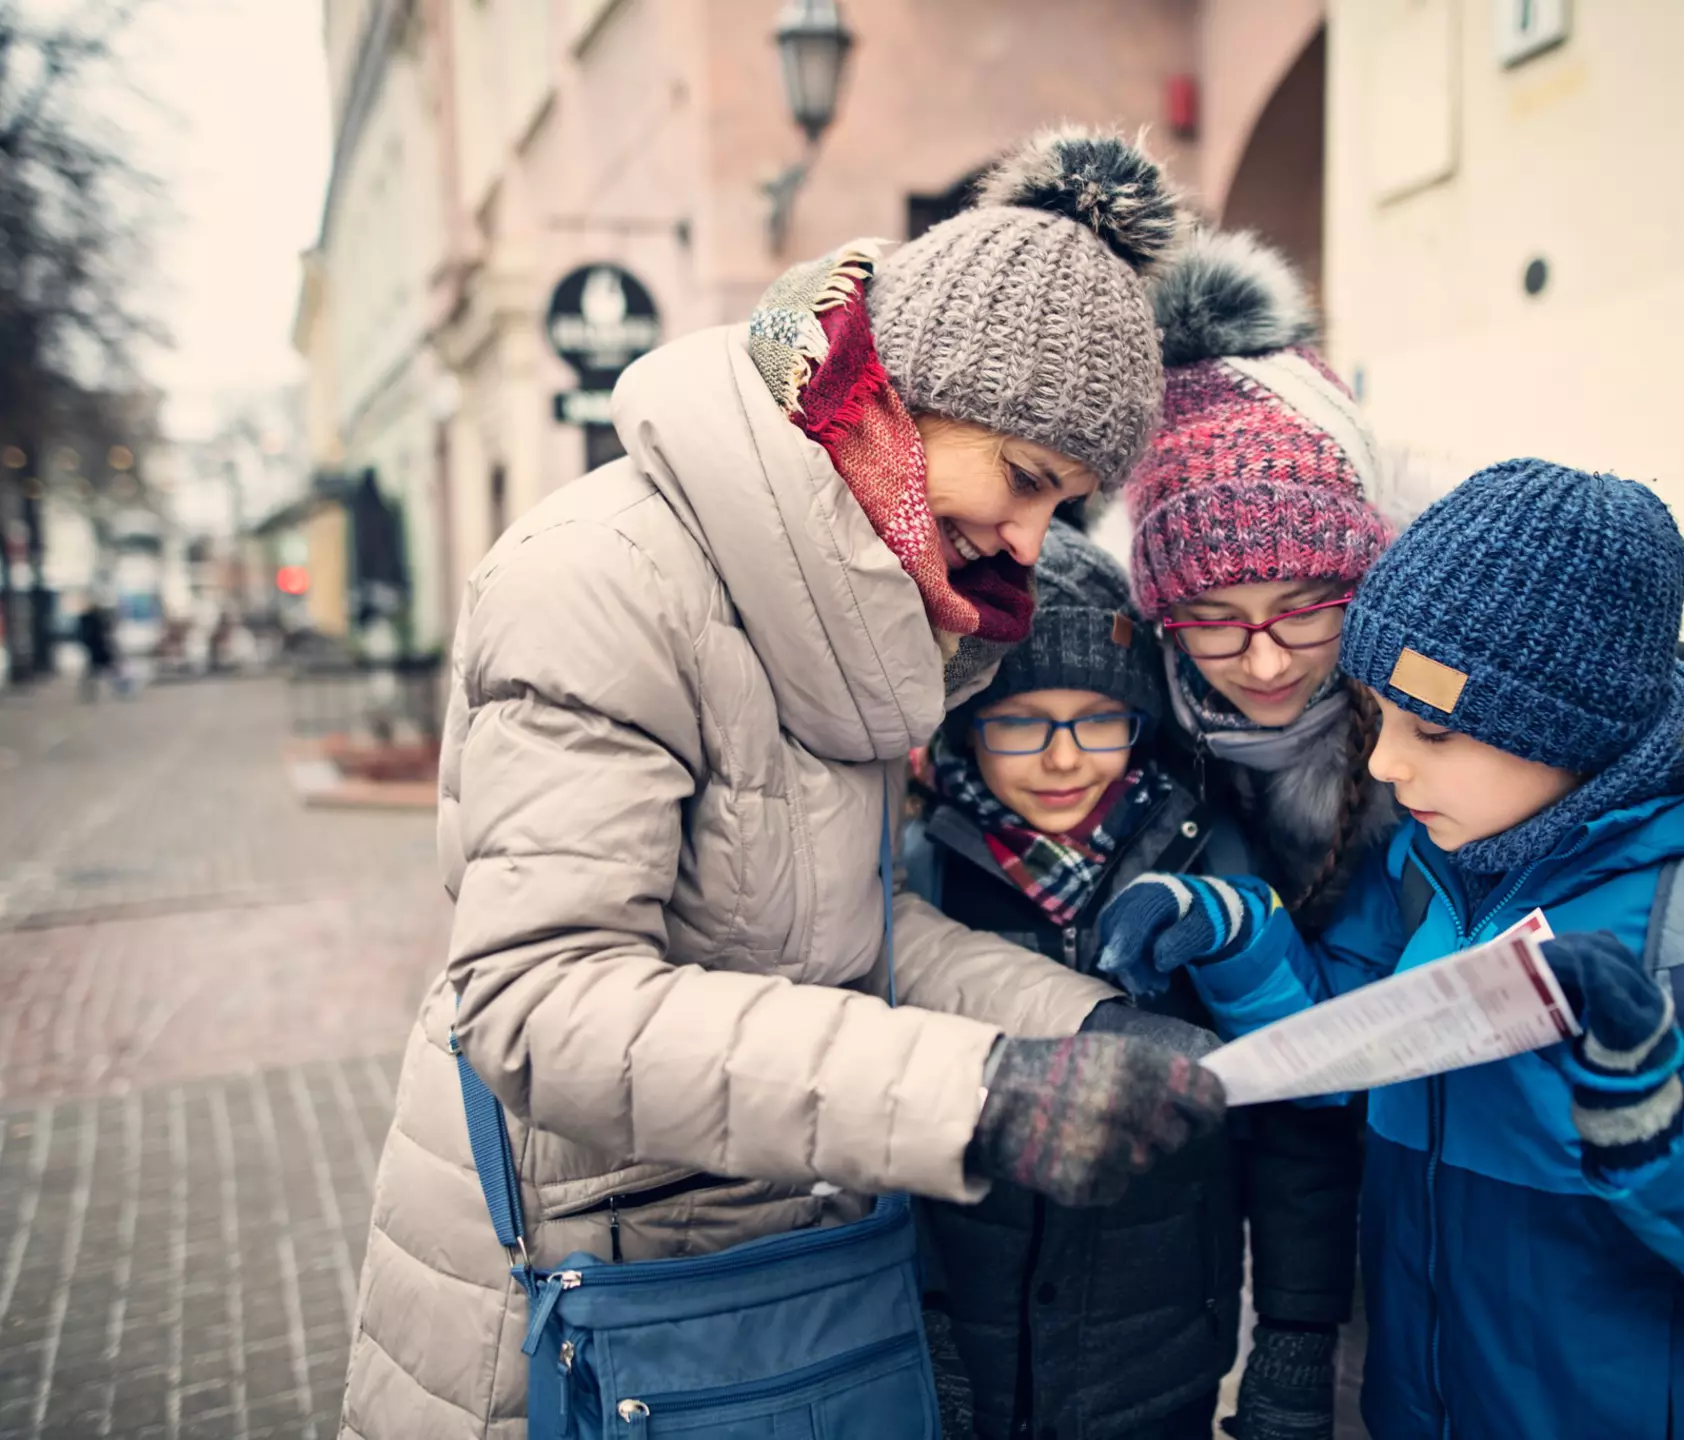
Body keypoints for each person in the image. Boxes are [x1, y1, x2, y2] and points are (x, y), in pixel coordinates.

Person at [339, 128, 1226, 1440]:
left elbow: (834, 931)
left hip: (767, 1278)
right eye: (1024, 481)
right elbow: (540, 1006)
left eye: (1068, 507)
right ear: (905, 392)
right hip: (596, 1303)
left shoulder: (871, 601)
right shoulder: (604, 578)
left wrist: (1079, 1027)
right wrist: (975, 1096)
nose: (1029, 543)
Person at [1097, 459, 1684, 1440]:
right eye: (1381, 716)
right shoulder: (1430, 867)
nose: (1384, 765)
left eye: (1432, 731)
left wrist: (1673, 1132)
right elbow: (1342, 1054)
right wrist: (1231, 932)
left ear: (1566, 728)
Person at [1121, 226, 1404, 1431]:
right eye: (1216, 619)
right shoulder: (1117, 738)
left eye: (1306, 606)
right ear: (1156, 618)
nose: (1268, 658)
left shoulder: (1437, 733)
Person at [906, 523, 1271, 1440]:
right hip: (960, 1353)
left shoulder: (1209, 863)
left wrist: (1295, 1334)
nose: (1065, 757)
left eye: (1098, 719)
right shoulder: (916, 876)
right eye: (1021, 722)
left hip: (1152, 1362)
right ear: (963, 729)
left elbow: (1287, 1134)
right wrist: (924, 1318)